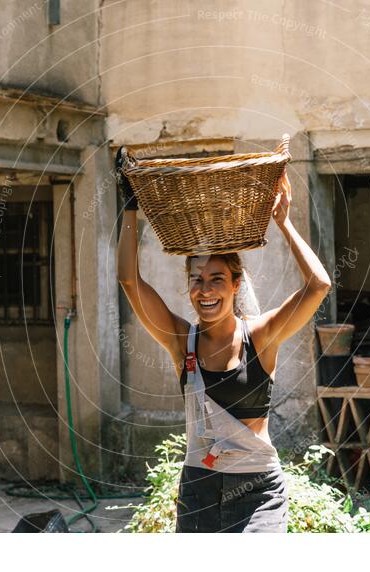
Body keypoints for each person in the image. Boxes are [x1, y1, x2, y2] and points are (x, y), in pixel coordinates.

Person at [115, 147, 332, 532]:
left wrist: (284, 223)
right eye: (196, 280)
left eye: (217, 279)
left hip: (258, 491)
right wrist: (129, 204)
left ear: (235, 284)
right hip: (198, 488)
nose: (206, 290)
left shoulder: (261, 337)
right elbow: (129, 281)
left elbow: (319, 285)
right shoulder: (182, 341)